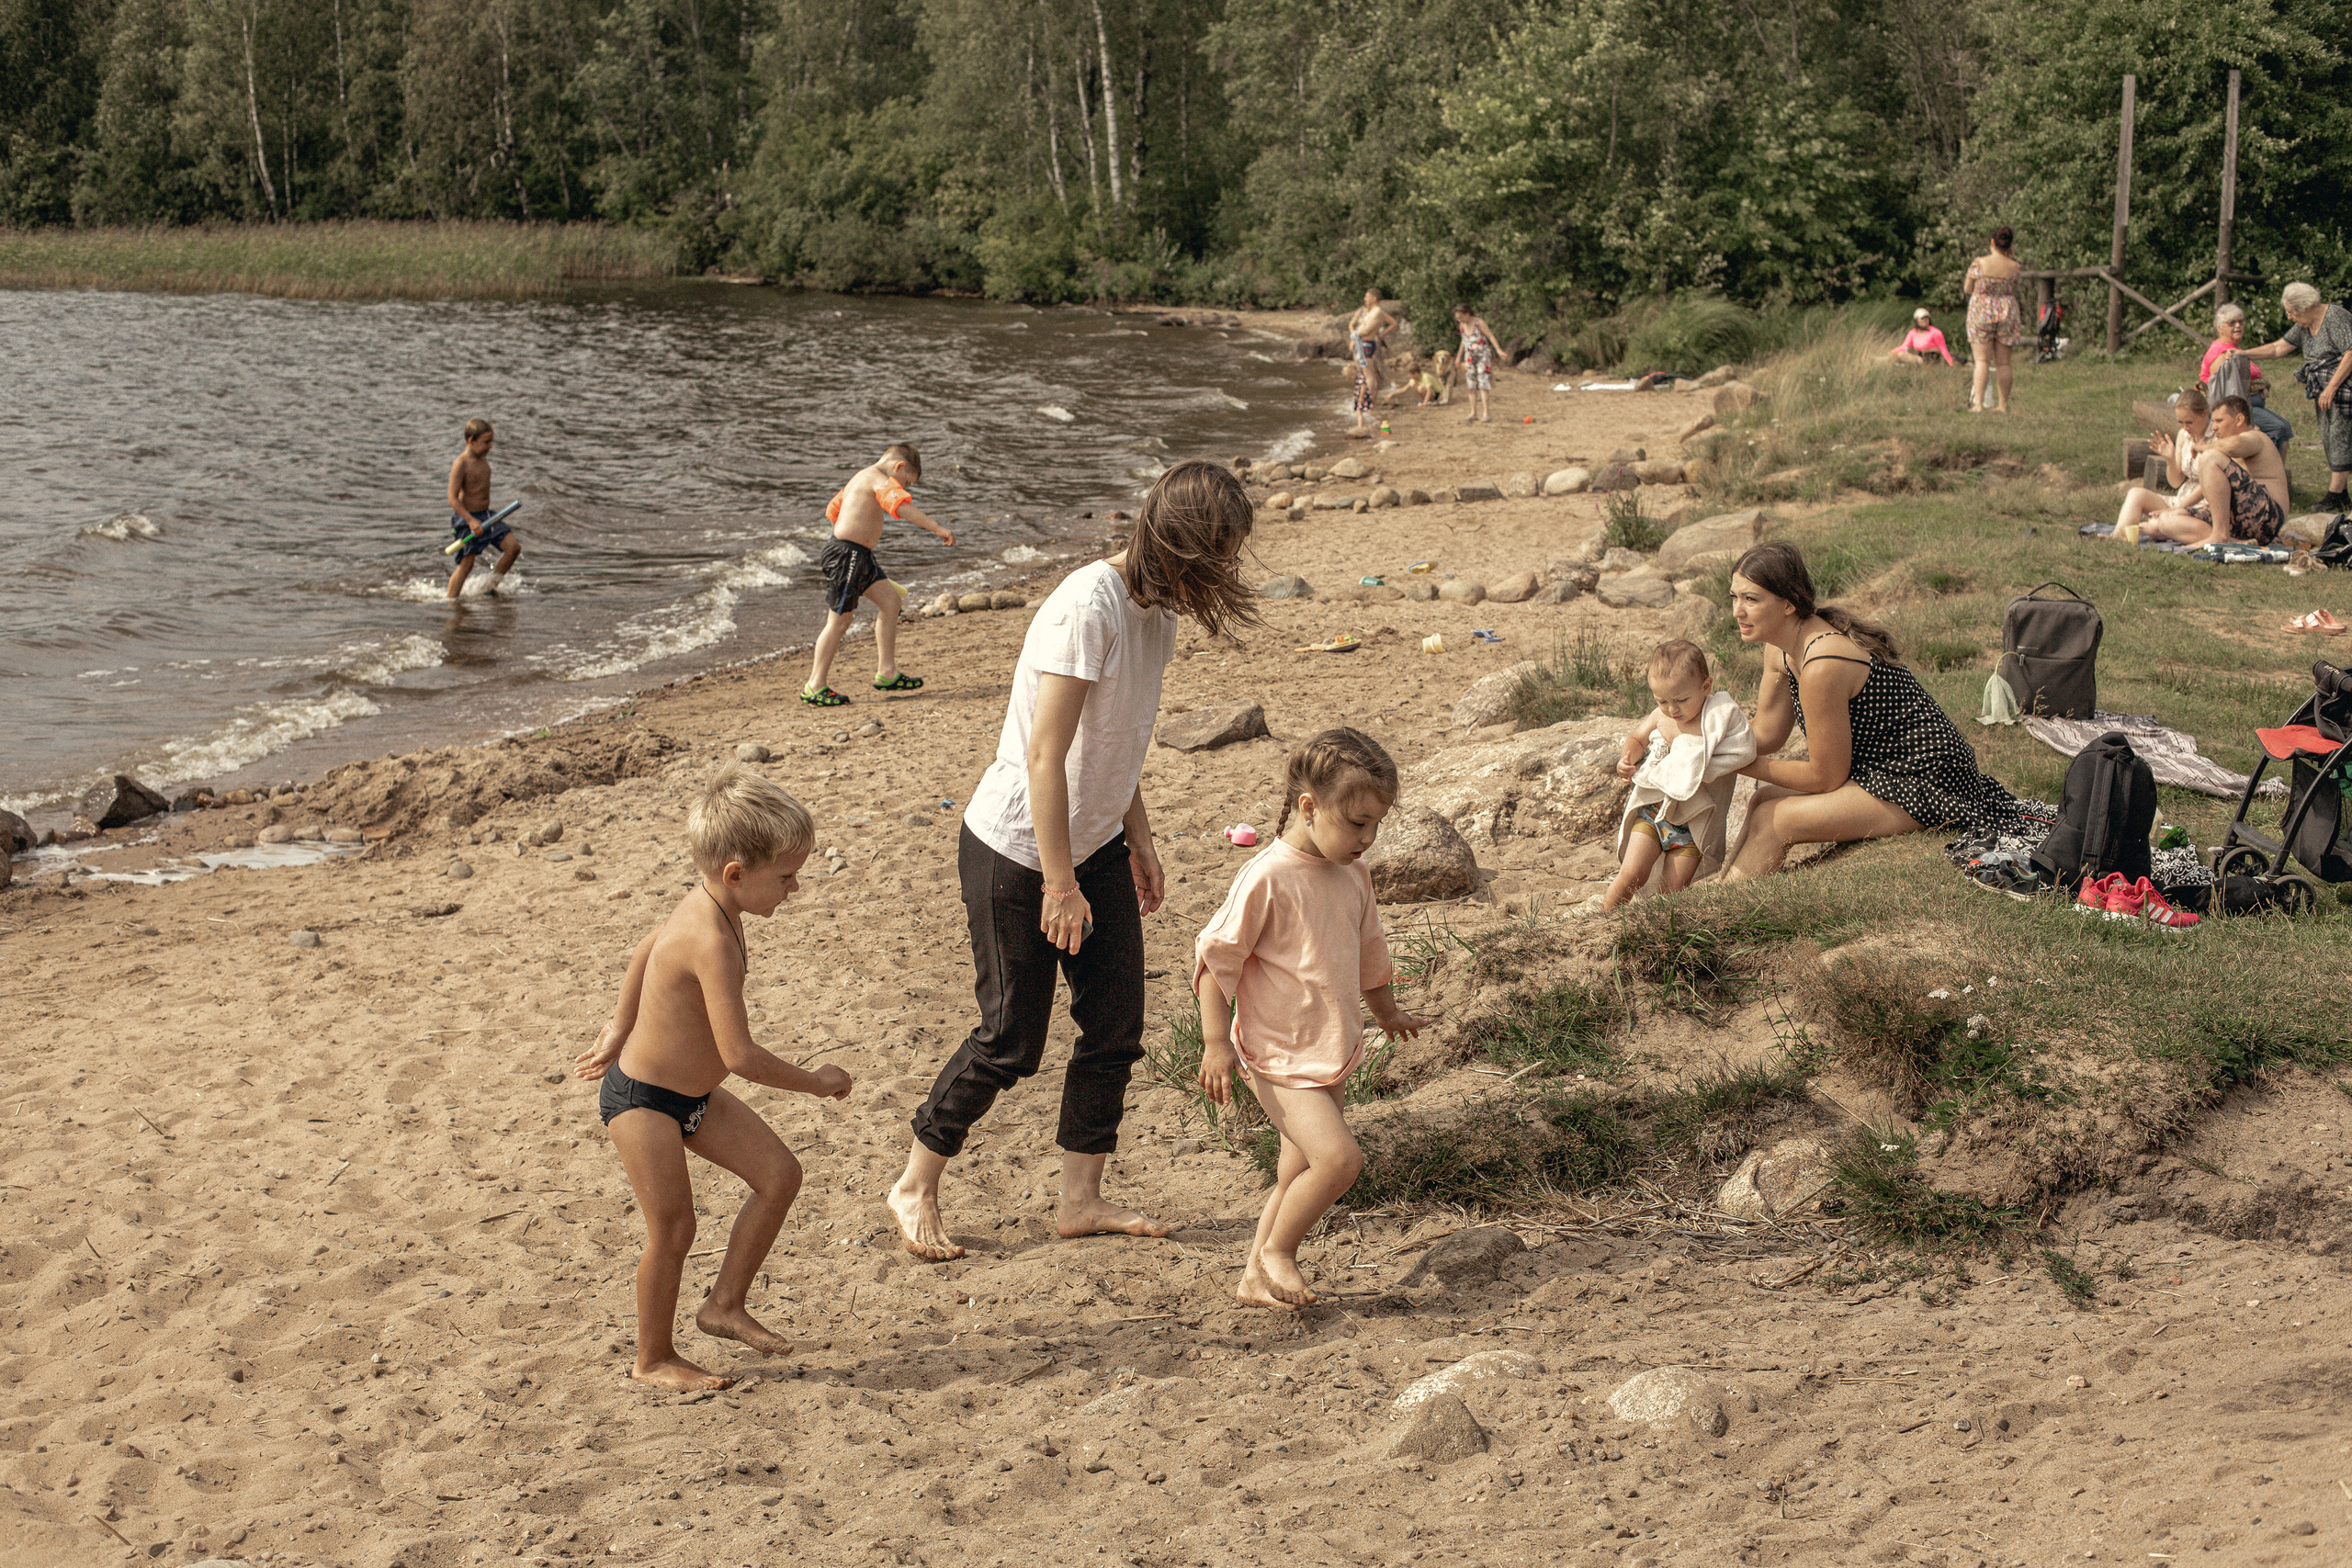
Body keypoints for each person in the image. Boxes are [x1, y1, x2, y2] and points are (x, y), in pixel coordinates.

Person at [887, 459, 1262, 1263]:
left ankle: (1080, 1199)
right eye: (1220, 553)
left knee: (1115, 1025)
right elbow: (1045, 754)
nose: (1226, 570)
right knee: (1012, 1037)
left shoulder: (1155, 613)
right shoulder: (1085, 606)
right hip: (1018, 848)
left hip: (1093, 844)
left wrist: (1141, 840)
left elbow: (1115, 741)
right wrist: (1059, 881)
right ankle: (916, 1180)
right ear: (1184, 542)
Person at [571, 766, 853, 1391]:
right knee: (674, 1227)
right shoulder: (712, 937)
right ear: (736, 873)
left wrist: (620, 1022)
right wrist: (816, 1080)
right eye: (785, 876)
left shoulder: (711, 903)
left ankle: (723, 1304)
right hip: (643, 1100)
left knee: (780, 1175)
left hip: (692, 1096)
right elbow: (741, 1055)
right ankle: (652, 1357)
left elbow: (649, 943)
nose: (795, 888)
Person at [1192, 728, 1430, 1311]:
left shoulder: (1354, 874)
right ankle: (1279, 1253)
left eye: (1376, 825)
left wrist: (1387, 1012)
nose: (1367, 838)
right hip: (1275, 1055)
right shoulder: (1267, 876)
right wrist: (1215, 1043)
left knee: (1296, 1170)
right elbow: (1212, 960)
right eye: (1356, 823)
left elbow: (1370, 953)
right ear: (1309, 806)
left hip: (1330, 1047)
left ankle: (1254, 1277)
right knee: (1339, 1159)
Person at [1723, 542, 2017, 880]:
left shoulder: (1822, 663)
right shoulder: (1780, 649)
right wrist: (1705, 740)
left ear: (1788, 603)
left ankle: (1723, 905)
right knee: (1763, 801)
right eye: (1734, 597)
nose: (1737, 611)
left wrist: (1739, 763)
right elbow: (1767, 733)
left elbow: (1824, 777)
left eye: (1751, 599)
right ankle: (1726, 887)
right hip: (1877, 770)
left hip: (1925, 778)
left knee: (1778, 819)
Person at [1602, 641, 1758, 910]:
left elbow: (1741, 751)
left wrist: (1684, 743)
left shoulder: (1717, 718)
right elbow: (1637, 738)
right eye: (1662, 701)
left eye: (1681, 700)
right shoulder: (1661, 717)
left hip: (1691, 828)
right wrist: (1627, 759)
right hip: (1653, 813)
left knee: (1671, 891)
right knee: (1630, 875)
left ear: (1705, 687)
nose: (1672, 709)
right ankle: (1603, 922)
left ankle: (1658, 933)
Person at [802, 444, 955, 708]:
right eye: (905, 482)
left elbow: (833, 511)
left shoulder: (859, 478)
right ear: (899, 467)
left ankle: (887, 673)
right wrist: (937, 528)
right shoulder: (877, 479)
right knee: (840, 620)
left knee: (891, 602)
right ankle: (814, 686)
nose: (904, 488)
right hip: (847, 556)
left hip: (858, 556)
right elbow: (900, 507)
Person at [2240, 282, 2352, 510]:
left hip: (2343, 388)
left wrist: (2331, 387)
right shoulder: (2304, 325)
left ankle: (2334, 496)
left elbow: (2350, 352)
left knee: (2340, 436)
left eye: (2292, 312)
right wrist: (2244, 353)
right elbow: (2277, 348)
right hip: (2323, 388)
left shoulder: (2336, 317)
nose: (2290, 317)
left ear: (2306, 306)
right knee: (2329, 436)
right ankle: (2342, 495)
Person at [2121, 395, 2287, 548]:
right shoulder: (2223, 451)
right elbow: (2207, 486)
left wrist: (2203, 447)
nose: (2214, 427)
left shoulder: (2255, 437)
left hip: (2267, 518)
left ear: (2239, 419)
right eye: (2213, 421)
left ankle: (2219, 536)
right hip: (2239, 521)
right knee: (2165, 522)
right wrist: (2177, 509)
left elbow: (2233, 446)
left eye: (2219, 421)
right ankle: (2233, 542)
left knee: (2210, 457)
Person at [2112, 389, 2210, 542]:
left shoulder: (2215, 439)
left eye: (2189, 422)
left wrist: (2173, 510)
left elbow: (2207, 487)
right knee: (2136, 494)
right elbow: (2176, 482)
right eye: (2181, 422)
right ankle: (2117, 537)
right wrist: (2170, 459)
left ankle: (2152, 528)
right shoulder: (2184, 435)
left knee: (2155, 526)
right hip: (2181, 498)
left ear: (2205, 413)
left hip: (2202, 506)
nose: (2185, 427)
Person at [2201, 301, 2294, 455]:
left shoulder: (2234, 350)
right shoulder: (2222, 353)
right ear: (2219, 327)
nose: (2238, 326)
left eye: (2241, 321)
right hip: (2237, 409)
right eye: (2232, 323)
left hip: (2252, 404)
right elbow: (2224, 393)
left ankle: (2279, 474)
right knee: (2278, 428)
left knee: (2286, 427)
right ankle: (2266, 470)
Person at [444, 418, 521, 599]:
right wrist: (471, 520)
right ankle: (450, 601)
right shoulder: (461, 463)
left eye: (491, 441)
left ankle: (489, 587)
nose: (490, 447)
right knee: (467, 563)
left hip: (488, 516)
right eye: (486, 442)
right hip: (467, 519)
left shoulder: (482, 460)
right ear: (471, 440)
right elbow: (452, 499)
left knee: (513, 548)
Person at [1963, 228, 2026, 413]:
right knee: (2004, 363)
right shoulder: (2014, 266)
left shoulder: (1979, 263)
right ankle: (2003, 405)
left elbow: (1968, 288)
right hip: (2007, 310)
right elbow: (2011, 286)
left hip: (1982, 310)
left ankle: (1979, 405)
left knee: (1982, 361)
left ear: (1992, 242)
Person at [1347, 289, 1396, 405]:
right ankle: (1369, 402)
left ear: (1374, 298)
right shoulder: (1372, 311)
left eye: (1367, 297)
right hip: (1365, 345)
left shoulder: (1377, 312)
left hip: (1365, 345)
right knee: (1368, 374)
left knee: (1369, 375)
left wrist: (1354, 338)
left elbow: (1367, 330)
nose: (1365, 299)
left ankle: (1368, 402)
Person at [1453, 302, 1500, 423]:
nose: (1459, 320)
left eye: (1460, 317)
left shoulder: (1479, 323)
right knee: (1471, 385)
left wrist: (1499, 350)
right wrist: (1458, 357)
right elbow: (1463, 342)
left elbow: (1490, 336)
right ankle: (1473, 412)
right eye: (1457, 318)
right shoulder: (1462, 326)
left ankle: (1486, 413)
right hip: (1469, 358)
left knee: (1483, 383)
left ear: (1467, 314)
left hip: (1482, 357)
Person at [1891, 308, 1955, 367]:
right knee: (1898, 356)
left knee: (1901, 355)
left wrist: (1951, 363)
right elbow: (1905, 347)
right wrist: (1892, 352)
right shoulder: (1913, 333)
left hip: (1931, 360)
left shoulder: (1935, 332)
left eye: (1927, 318)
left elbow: (1943, 349)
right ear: (1916, 320)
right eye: (1922, 318)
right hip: (1920, 358)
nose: (1925, 320)